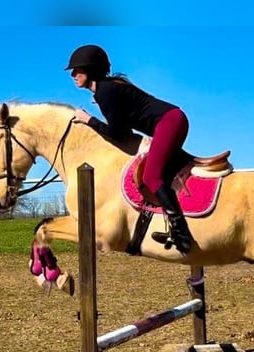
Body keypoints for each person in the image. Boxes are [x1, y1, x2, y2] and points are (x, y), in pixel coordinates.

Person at [65, 44, 194, 254]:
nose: (73, 74)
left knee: (152, 176)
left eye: (77, 70)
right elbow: (124, 132)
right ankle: (174, 225)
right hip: (172, 120)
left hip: (169, 122)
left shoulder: (105, 91)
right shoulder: (106, 89)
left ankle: (182, 234)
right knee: (163, 171)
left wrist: (89, 120)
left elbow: (118, 134)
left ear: (91, 70)